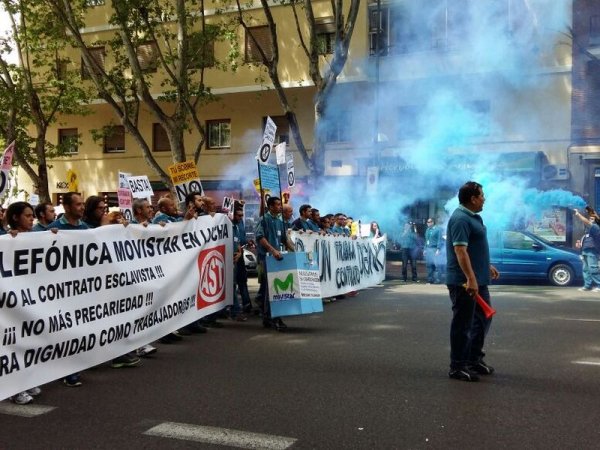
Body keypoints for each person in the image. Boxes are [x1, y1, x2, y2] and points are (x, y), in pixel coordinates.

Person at [446, 181, 499, 382]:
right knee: (463, 324)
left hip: (477, 279)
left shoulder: (474, 217)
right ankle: (457, 366)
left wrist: (487, 266)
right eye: (482, 195)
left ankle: (473, 359)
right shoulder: (460, 219)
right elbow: (460, 251)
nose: (484, 198)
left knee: (483, 319)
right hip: (464, 283)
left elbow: (474, 249)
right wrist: (470, 278)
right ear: (473, 198)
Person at [5, 201, 43, 404]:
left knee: (28, 340)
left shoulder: (36, 236)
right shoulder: (5, 239)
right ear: (15, 218)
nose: (32, 219)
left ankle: (26, 381)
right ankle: (14, 388)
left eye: (32, 215)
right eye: (27, 216)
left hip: (29, 298)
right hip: (10, 301)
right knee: (13, 343)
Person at [255, 196, 294, 331]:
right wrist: (272, 251)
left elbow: (285, 239)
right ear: (270, 206)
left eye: (280, 205)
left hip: (277, 258)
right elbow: (260, 237)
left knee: (269, 288)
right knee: (271, 288)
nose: (280, 207)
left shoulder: (279, 221)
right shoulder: (264, 219)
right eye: (277, 205)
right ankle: (273, 318)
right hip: (266, 258)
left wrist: (296, 251)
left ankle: (268, 318)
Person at [573, 207, 600, 292]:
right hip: (585, 251)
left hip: (592, 251)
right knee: (586, 270)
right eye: (590, 218)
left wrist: (578, 214)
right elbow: (585, 240)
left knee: (593, 269)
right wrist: (579, 245)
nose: (590, 220)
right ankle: (587, 286)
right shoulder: (588, 231)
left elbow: (587, 222)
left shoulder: (596, 227)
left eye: (592, 218)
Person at [424, 218, 444, 284]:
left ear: (433, 222)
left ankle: (438, 279)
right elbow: (426, 240)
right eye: (427, 222)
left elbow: (439, 240)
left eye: (429, 222)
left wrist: (438, 249)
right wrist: (425, 249)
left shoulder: (438, 229)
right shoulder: (427, 230)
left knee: (437, 265)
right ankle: (430, 279)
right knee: (429, 265)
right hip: (428, 249)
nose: (428, 223)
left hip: (435, 249)